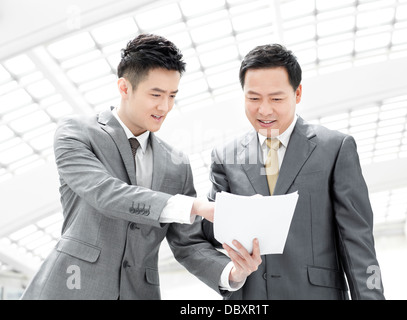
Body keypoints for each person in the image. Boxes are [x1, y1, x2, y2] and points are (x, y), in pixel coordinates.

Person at [21, 34, 261, 300]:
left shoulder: (177, 164)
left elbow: (188, 244)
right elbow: (106, 193)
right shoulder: (77, 133)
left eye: (172, 95)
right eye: (156, 94)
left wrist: (234, 272)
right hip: (70, 288)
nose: (165, 106)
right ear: (124, 88)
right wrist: (195, 207)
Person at [202, 44, 385, 300]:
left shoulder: (334, 149)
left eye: (276, 99)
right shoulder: (226, 156)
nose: (264, 110)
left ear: (297, 93)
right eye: (253, 98)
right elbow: (210, 231)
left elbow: (358, 241)